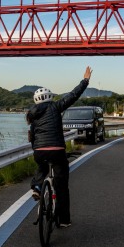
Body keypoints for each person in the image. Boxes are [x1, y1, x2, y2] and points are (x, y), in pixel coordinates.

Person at [26, 66, 92, 228]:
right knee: (61, 186)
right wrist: (85, 80)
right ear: (50, 98)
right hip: (57, 150)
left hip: (39, 151)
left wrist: (37, 149)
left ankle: (37, 187)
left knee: (42, 166)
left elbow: (32, 137)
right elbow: (73, 95)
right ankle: (63, 220)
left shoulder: (32, 115)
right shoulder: (55, 107)